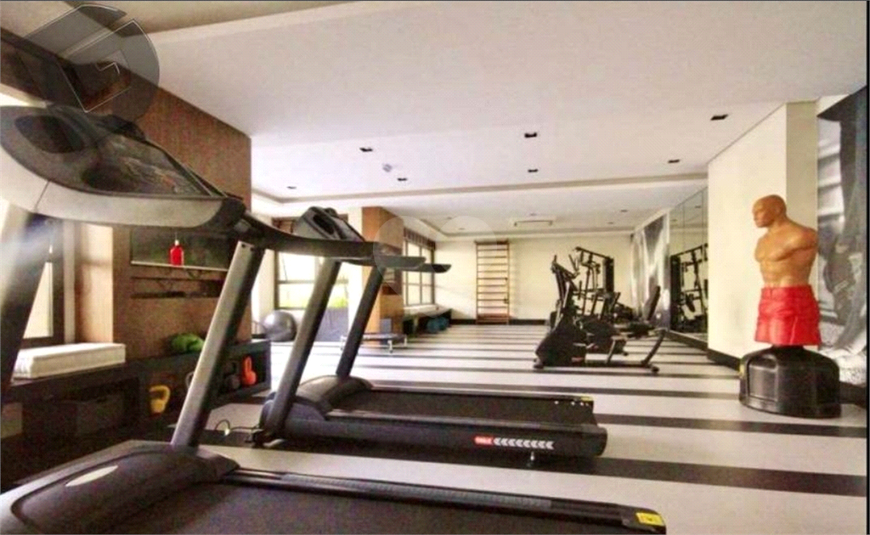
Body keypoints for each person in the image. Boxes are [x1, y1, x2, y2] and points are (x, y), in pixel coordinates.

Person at [752, 194, 821, 346]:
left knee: (786, 346)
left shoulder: (801, 234)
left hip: (790, 296)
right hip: (767, 296)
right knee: (773, 345)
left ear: (777, 210)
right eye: (753, 213)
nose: (754, 216)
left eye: (759, 211)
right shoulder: (763, 240)